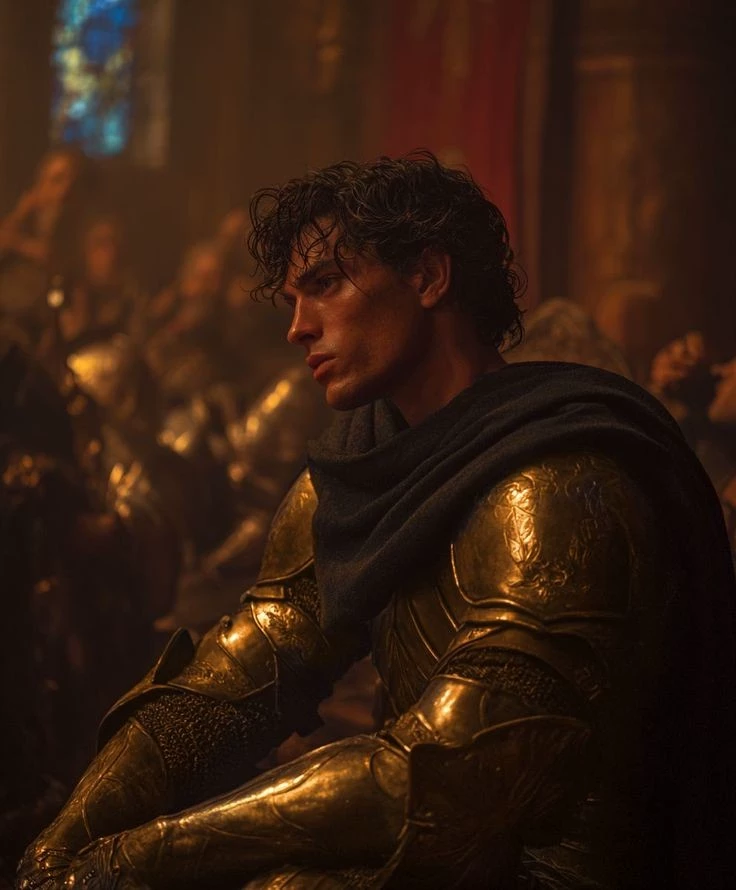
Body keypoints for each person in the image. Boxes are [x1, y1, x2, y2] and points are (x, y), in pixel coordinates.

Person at [19, 153, 736, 889]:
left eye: (326, 285)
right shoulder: (357, 466)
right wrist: (63, 843)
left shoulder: (550, 490)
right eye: (293, 300)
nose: (298, 328)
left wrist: (133, 858)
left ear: (427, 276)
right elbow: (239, 676)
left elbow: (445, 776)